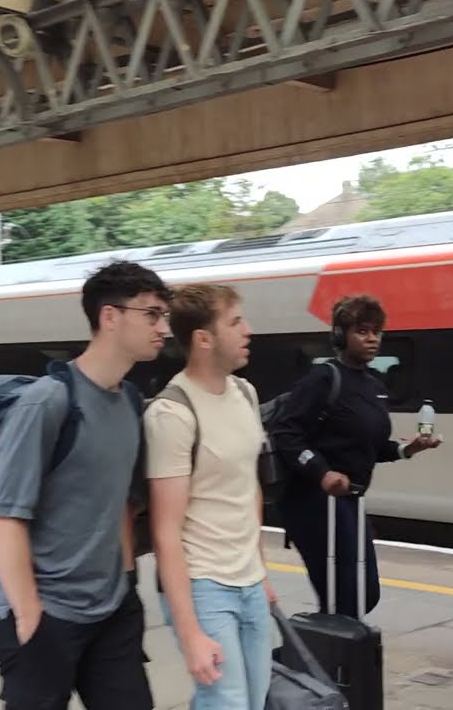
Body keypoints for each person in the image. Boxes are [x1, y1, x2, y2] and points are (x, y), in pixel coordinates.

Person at [0, 260, 172, 710]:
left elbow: (124, 504)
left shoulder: (128, 401)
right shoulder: (48, 402)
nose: (164, 328)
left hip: (110, 611)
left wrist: (126, 586)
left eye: (164, 316)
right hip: (46, 613)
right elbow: (4, 514)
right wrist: (30, 616)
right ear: (110, 317)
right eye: (152, 314)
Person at [145, 283, 277, 710]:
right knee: (227, 702)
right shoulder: (172, 413)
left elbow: (248, 488)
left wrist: (261, 570)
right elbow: (166, 531)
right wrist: (191, 634)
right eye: (235, 322)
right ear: (203, 339)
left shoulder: (246, 394)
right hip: (205, 586)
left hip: (250, 581)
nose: (248, 330)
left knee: (254, 701)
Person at [274, 295, 441, 618]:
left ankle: (314, 659)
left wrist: (410, 448)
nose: (372, 339)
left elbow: (372, 447)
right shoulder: (323, 379)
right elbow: (286, 433)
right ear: (340, 335)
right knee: (342, 597)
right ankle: (311, 661)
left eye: (377, 332)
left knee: (364, 594)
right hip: (313, 501)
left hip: (350, 499)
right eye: (362, 331)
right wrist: (323, 473)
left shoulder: (374, 386)